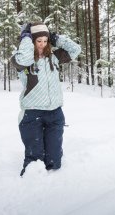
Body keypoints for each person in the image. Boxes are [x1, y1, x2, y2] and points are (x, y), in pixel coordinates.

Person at [11, 22, 81, 176]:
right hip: (32, 114)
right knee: (34, 163)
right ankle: (30, 190)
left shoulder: (54, 57)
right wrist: (26, 39)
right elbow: (24, 58)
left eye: (45, 41)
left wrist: (56, 38)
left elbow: (76, 49)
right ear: (31, 41)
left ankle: (53, 188)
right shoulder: (22, 60)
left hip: (54, 113)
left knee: (54, 163)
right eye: (38, 41)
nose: (42, 44)